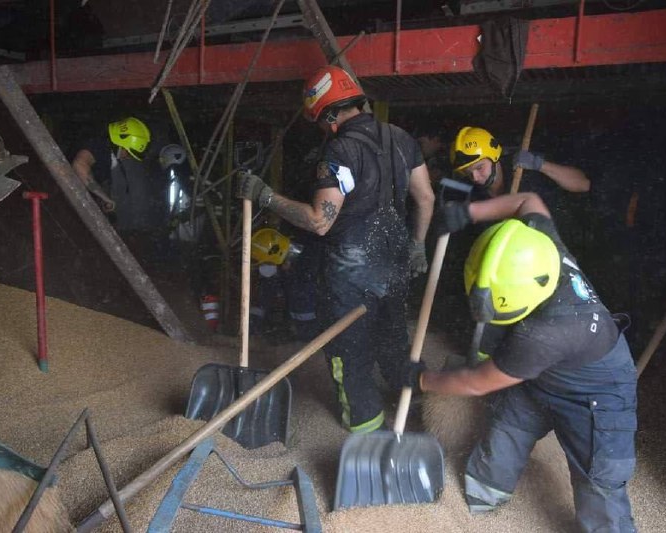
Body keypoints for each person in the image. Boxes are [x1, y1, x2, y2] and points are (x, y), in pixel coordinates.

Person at [404, 192, 637, 532]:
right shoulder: (543, 246)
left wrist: (423, 380)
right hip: (541, 379)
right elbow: (527, 199)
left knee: (600, 483)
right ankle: (482, 501)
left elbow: (475, 382)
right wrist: (467, 212)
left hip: (596, 394)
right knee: (500, 446)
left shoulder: (543, 334)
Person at [236, 65, 435, 433]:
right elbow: (425, 197)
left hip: (351, 273)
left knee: (349, 351)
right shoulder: (401, 138)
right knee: (393, 339)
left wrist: (265, 196)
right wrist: (418, 246)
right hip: (394, 264)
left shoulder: (339, 149)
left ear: (328, 115)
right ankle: (417, 407)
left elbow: (319, 220)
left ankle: (366, 426)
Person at [450, 126, 590, 199]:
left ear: (494, 156)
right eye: (468, 173)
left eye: (479, 167)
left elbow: (583, 184)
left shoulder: (525, 168)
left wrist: (540, 165)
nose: (475, 177)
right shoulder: (473, 196)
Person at [71, 117, 152, 213]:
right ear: (121, 141)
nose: (127, 157)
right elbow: (79, 165)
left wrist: (103, 200)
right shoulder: (100, 144)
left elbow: (93, 181)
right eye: (128, 153)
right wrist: (104, 197)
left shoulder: (106, 152)